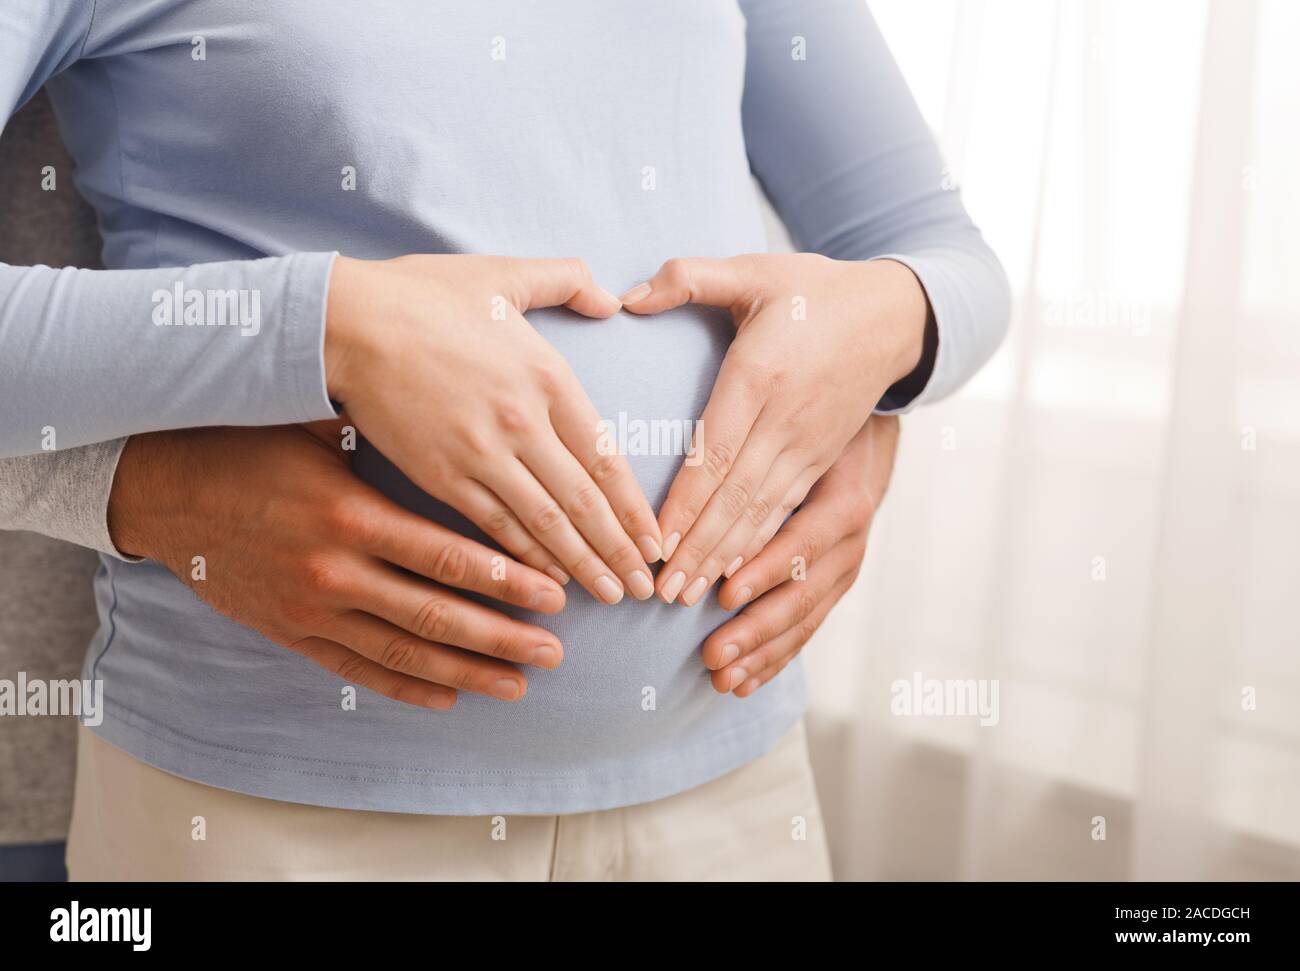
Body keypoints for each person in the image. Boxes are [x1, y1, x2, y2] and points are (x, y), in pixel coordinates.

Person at [0, 0, 1009, 880]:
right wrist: (329, 326)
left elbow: (933, 250)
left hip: (731, 791)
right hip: (288, 811)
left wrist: (880, 339)